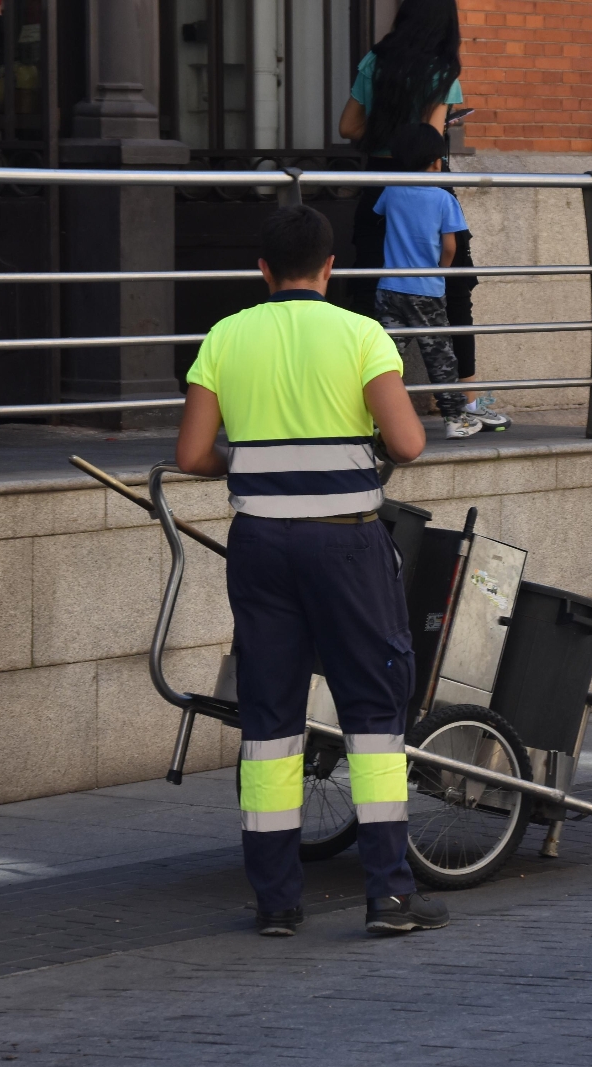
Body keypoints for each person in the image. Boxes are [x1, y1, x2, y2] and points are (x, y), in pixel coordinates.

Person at [175, 205, 448, 938]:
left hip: (260, 545)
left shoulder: (226, 336)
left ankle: (275, 901)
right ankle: (388, 895)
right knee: (372, 713)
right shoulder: (361, 334)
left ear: (262, 271)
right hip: (346, 546)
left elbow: (192, 455)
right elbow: (408, 441)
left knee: (268, 718)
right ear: (330, 268)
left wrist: (256, 457)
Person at [338, 0, 511, 433]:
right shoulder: (440, 69)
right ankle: (467, 400)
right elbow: (430, 137)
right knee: (454, 290)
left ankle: (361, 403)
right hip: (426, 182)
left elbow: (348, 127)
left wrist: (386, 131)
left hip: (378, 183)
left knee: (369, 291)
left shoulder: (376, 60)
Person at [375, 123, 479, 439]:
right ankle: (456, 419)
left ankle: (370, 417)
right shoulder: (444, 199)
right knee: (440, 355)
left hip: (390, 287)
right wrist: (441, 270)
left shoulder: (390, 191)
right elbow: (450, 245)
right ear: (437, 162)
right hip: (427, 291)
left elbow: (380, 216)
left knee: (383, 355)